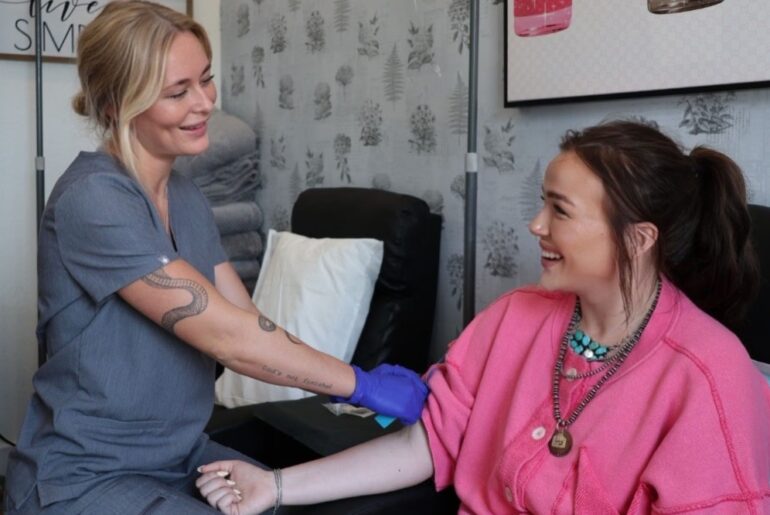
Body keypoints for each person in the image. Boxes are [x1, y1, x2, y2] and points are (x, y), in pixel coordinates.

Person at [197, 120, 770, 514]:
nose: (537, 225)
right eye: (543, 203)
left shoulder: (709, 373)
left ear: (639, 238)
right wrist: (273, 487)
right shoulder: (516, 318)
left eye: (560, 210)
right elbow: (424, 445)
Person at [3, 2, 428, 514]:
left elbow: (247, 320)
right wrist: (362, 384)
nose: (204, 102)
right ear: (117, 103)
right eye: (178, 92)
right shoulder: (93, 199)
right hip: (85, 476)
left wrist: (345, 385)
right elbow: (228, 338)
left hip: (182, 455)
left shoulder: (185, 196)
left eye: (205, 80)